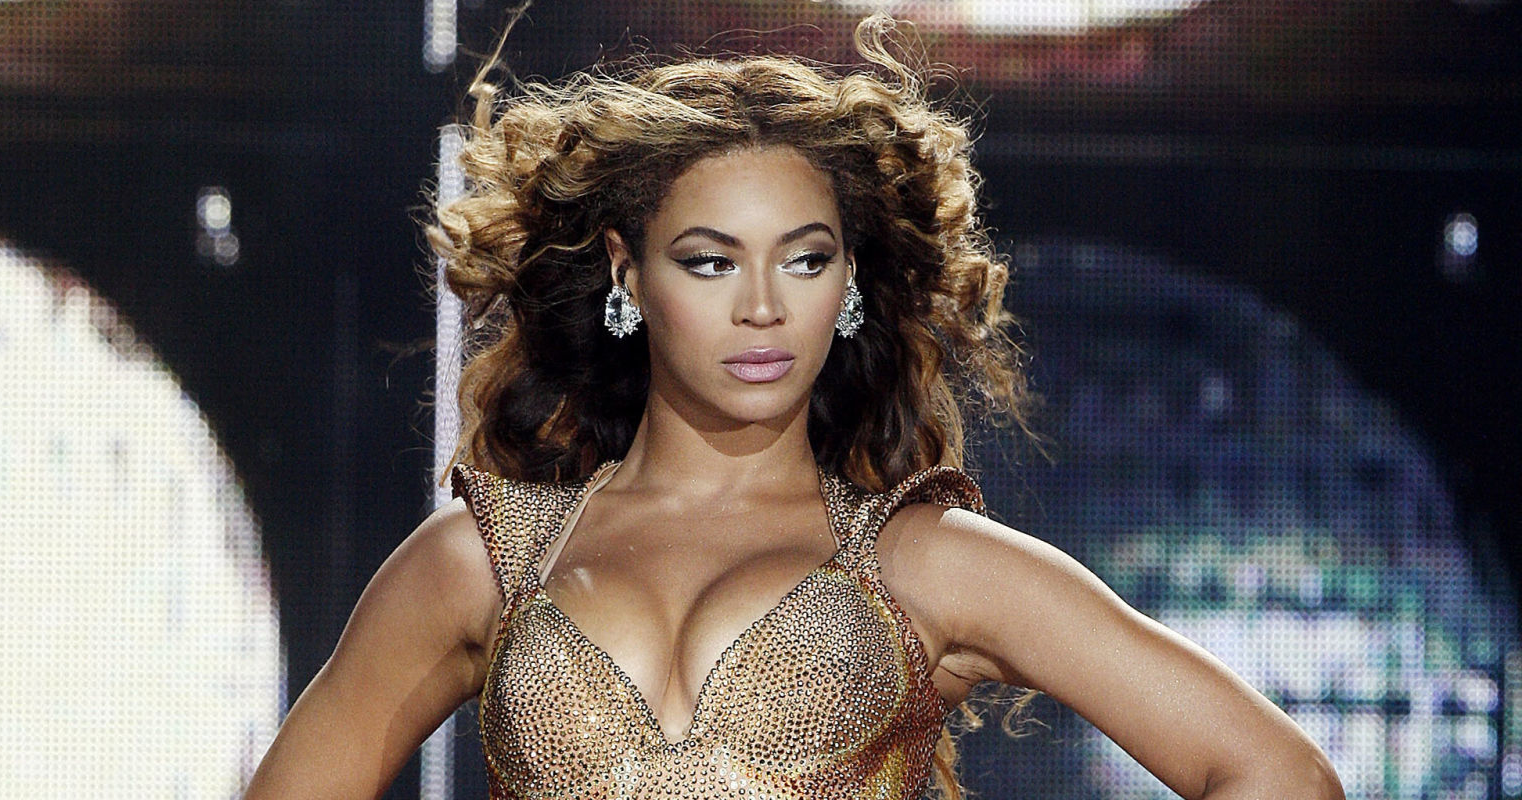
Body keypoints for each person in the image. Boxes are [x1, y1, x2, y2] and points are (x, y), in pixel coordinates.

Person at [245, 14, 1344, 800]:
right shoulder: (480, 561)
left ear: (849, 280)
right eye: (710, 261)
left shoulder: (924, 562)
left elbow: (1276, 772)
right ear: (628, 274)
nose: (764, 306)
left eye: (806, 259)